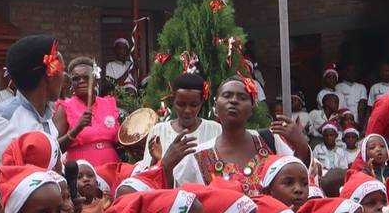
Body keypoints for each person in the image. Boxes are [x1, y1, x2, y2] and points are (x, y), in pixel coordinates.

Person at [172, 76, 310, 196]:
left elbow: (301, 182)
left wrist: (301, 145)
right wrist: (166, 167)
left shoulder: (271, 141)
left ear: (251, 108)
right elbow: (181, 203)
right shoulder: (197, 157)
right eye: (227, 95)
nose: (234, 101)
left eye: (242, 97)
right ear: (216, 106)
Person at [0, 35, 64, 168]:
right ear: (50, 75)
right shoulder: (3, 122)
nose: (63, 77)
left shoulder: (46, 118)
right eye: (62, 69)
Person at [140, 72, 220, 168]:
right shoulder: (159, 131)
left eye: (193, 105)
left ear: (201, 102)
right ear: (173, 100)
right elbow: (147, 173)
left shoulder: (215, 130)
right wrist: (157, 160)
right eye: (181, 104)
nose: (187, 110)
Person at [54, 57, 121, 166]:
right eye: (76, 78)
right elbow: (54, 148)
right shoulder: (65, 107)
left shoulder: (109, 104)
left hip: (111, 169)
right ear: (71, 83)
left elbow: (118, 142)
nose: (81, 81)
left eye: (86, 77)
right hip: (81, 172)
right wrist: (77, 129)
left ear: (95, 79)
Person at [336, 62, 367, 127]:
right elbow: (338, 107)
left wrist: (360, 124)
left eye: (353, 71)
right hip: (342, 122)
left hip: (357, 122)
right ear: (344, 72)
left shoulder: (361, 87)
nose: (351, 73)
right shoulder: (338, 87)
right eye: (349, 71)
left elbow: (362, 107)